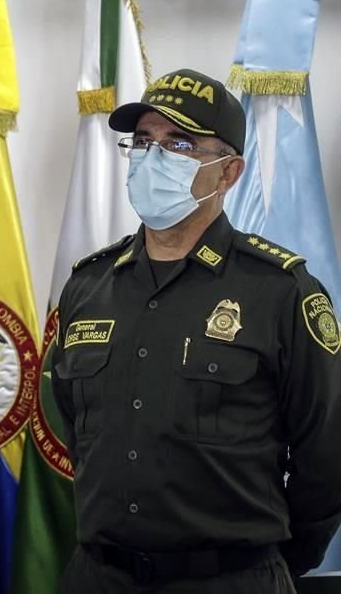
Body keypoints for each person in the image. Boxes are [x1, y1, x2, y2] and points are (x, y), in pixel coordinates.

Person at [52, 68, 341, 592]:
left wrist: (266, 565)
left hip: (228, 580)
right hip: (99, 578)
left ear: (229, 173)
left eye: (178, 143)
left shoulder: (280, 291)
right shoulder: (88, 287)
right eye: (143, 141)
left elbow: (327, 457)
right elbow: (76, 430)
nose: (151, 157)